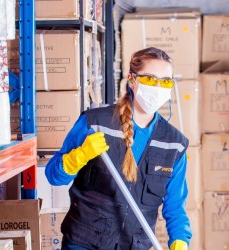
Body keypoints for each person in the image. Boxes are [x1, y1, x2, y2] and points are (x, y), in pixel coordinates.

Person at [45, 47, 192, 250]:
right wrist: (77, 157)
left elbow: (175, 206)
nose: (158, 87)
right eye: (150, 79)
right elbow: (53, 176)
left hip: (134, 244)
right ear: (132, 80)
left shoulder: (174, 144)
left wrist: (180, 240)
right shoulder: (95, 123)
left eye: (165, 81)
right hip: (84, 242)